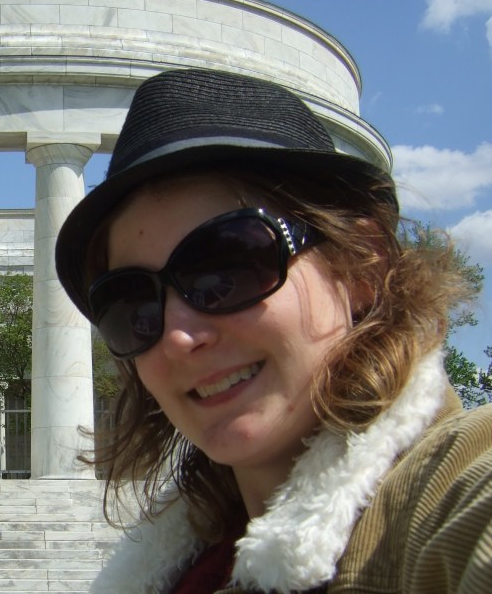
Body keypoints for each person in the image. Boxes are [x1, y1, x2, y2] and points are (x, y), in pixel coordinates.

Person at [54, 68, 492, 593]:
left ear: (361, 268)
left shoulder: (457, 487)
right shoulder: (186, 566)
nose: (177, 336)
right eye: (132, 305)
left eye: (226, 270)